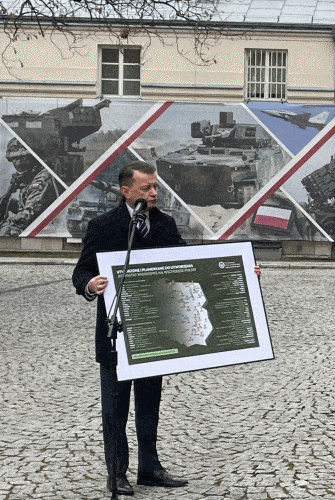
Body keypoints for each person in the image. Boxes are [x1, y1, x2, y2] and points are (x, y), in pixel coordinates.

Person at [72, 161, 189, 496]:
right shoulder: (103, 225)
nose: (153, 193)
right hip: (117, 333)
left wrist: (236, 273)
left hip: (155, 329)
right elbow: (81, 272)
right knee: (116, 408)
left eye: (155, 187)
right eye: (146, 188)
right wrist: (91, 284)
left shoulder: (165, 224)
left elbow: (189, 265)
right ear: (126, 191)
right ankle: (117, 473)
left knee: (149, 403)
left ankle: (150, 468)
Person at [0, 138, 59, 236]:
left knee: (8, 232)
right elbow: (25, 205)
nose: (18, 162)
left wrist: (5, 224)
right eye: (14, 159)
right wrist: (9, 203)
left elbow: (29, 215)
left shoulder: (42, 179)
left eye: (22, 158)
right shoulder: (29, 177)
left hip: (47, 230)